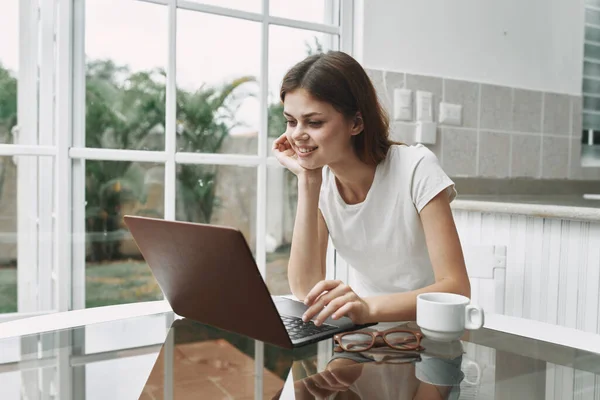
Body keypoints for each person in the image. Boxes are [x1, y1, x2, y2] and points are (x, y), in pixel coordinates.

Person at [272, 50, 471, 327]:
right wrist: (308, 180)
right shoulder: (322, 181)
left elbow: (456, 288)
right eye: (291, 121)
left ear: (356, 123)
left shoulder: (416, 168)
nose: (297, 135)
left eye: (314, 122)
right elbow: (306, 289)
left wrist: (368, 307)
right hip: (366, 332)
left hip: (428, 330)